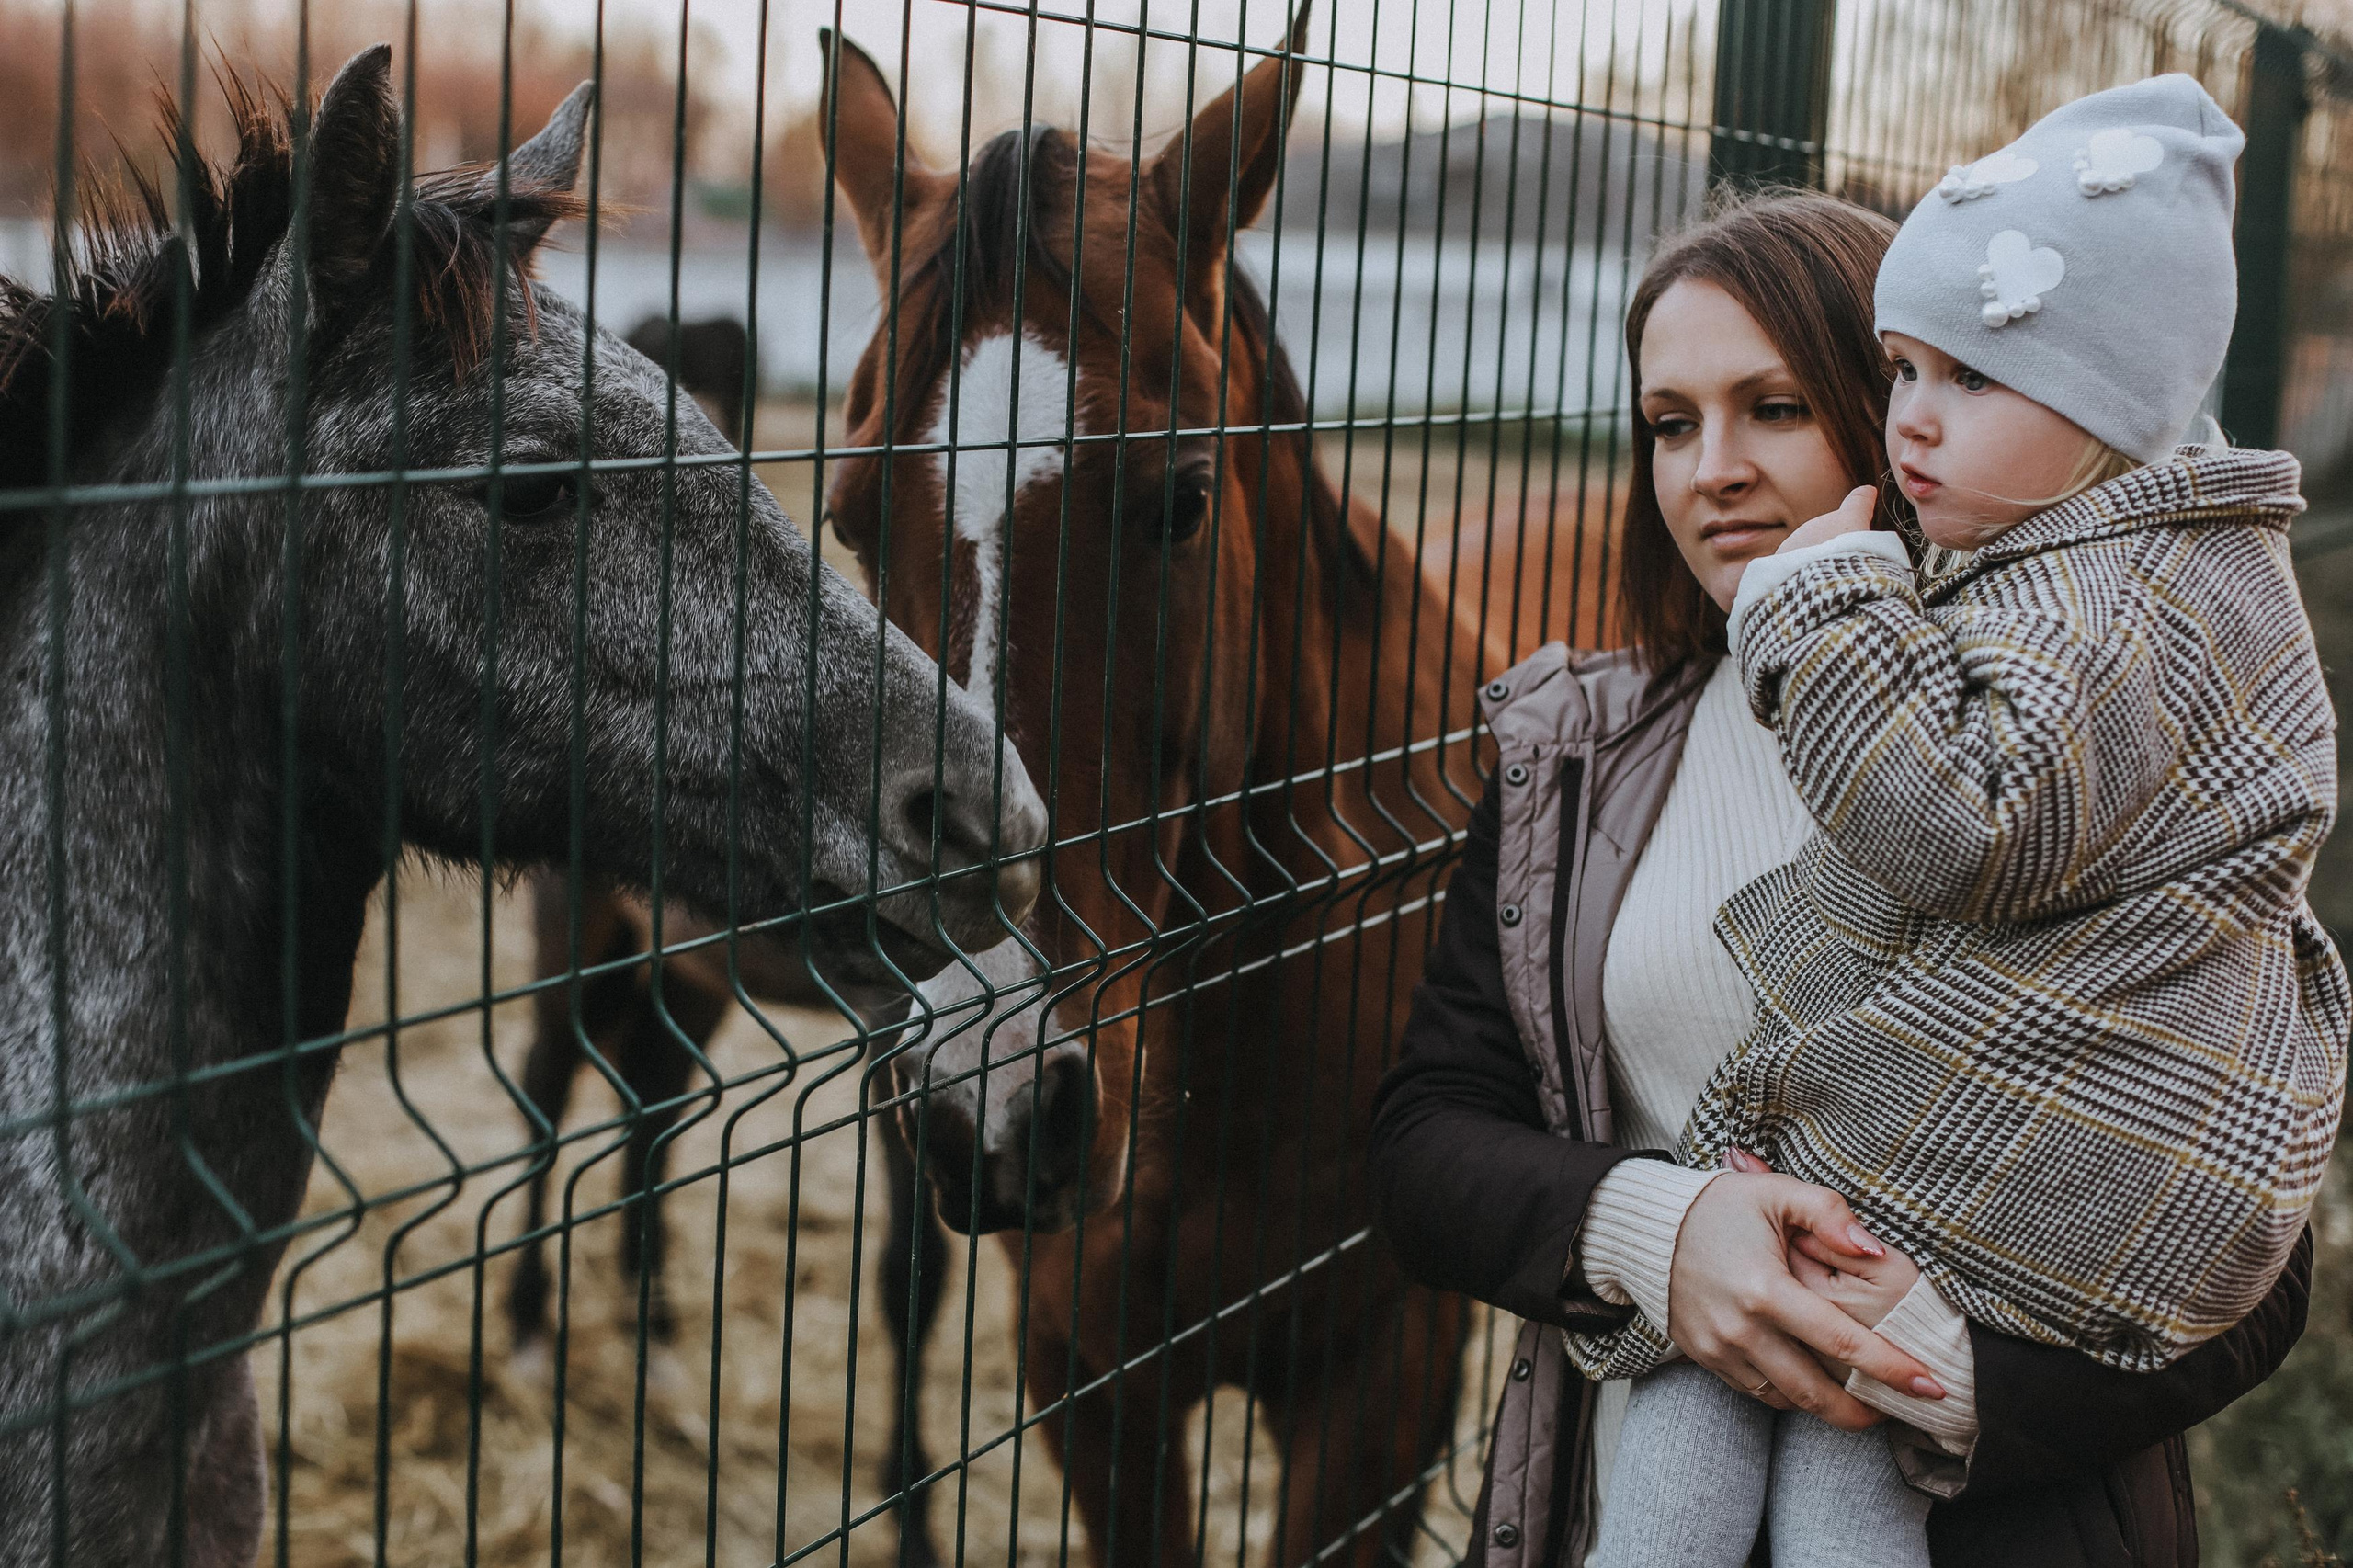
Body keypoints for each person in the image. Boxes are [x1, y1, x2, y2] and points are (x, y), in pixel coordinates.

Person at [1364, 180, 2317, 1568]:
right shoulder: (1573, 756)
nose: (1713, 470)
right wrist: (1654, 1230)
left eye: (1777, 408)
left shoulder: (2085, 722)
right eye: (1672, 424)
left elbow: (2256, 1235)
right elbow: (1427, 1136)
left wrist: (1962, 1372)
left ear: (1904, 411)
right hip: (1639, 1499)